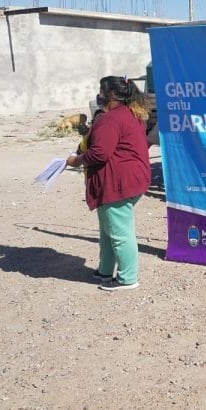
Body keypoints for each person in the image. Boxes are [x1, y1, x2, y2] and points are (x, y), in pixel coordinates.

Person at [66, 76, 151, 291]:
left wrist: (77, 160)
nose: (99, 95)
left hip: (118, 183)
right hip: (133, 179)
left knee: (120, 232)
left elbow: (99, 153)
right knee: (108, 229)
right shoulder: (132, 113)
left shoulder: (110, 119)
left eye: (101, 91)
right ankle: (105, 270)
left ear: (111, 95)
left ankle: (128, 278)